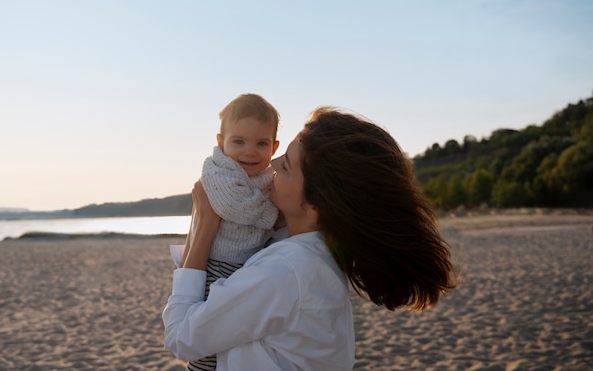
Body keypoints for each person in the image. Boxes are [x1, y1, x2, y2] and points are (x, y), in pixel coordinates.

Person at [164, 106, 458, 371]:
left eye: (287, 166)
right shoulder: (315, 253)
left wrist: (203, 225)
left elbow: (181, 337)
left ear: (315, 208)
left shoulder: (284, 273)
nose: (273, 164)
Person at [182, 93, 281, 371]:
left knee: (236, 334)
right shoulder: (219, 169)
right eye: (239, 141)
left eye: (261, 143)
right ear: (221, 142)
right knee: (208, 333)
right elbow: (231, 205)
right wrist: (272, 215)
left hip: (247, 265)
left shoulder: (268, 174)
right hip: (217, 264)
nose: (250, 151)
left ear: (274, 147)